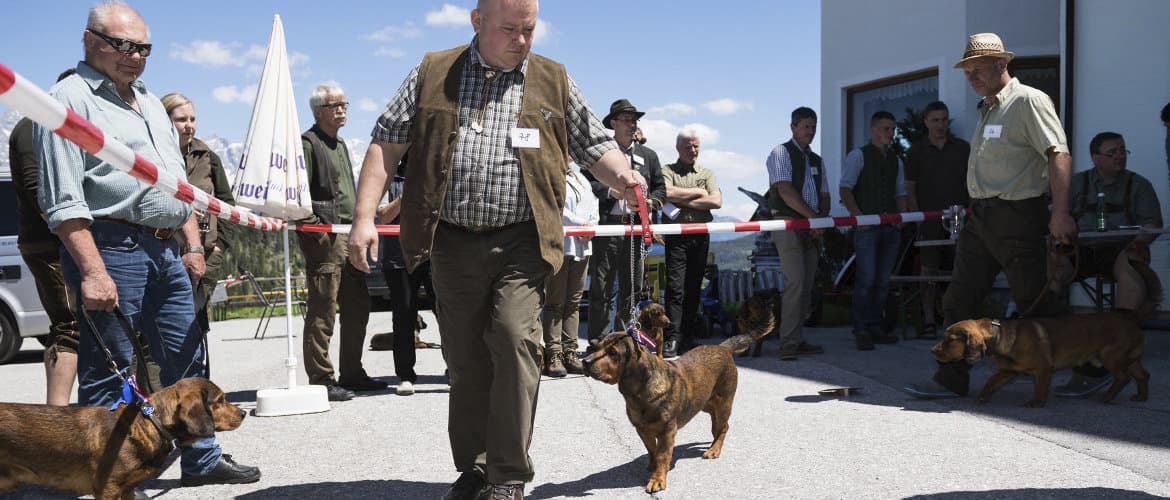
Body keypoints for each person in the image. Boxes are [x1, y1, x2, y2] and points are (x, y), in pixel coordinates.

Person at [344, 1, 647, 498]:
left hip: (523, 239)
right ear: (477, 21)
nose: (521, 40)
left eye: (529, 30)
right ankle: (476, 467)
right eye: (509, 29)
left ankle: (507, 475)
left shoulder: (554, 79)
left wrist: (624, 178)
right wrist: (363, 218)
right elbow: (387, 144)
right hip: (451, 239)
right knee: (464, 358)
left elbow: (595, 146)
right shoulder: (432, 71)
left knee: (513, 340)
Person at [34, 1, 259, 486]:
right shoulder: (66, 101)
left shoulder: (151, 102)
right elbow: (64, 202)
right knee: (110, 370)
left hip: (167, 250)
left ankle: (202, 461)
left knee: (188, 358)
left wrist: (191, 244)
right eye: (123, 45)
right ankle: (104, 476)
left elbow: (177, 185)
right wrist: (93, 271)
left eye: (144, 48)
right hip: (110, 246)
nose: (135, 56)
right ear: (90, 40)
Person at [903, 32, 1077, 399]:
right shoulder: (988, 108)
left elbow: (1058, 154)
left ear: (1001, 64)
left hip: (1017, 215)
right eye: (967, 71)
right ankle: (951, 379)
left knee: (1036, 302)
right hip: (981, 217)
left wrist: (1061, 212)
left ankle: (1091, 364)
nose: (971, 76)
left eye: (977, 68)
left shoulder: (1028, 100)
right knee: (958, 299)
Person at [1055, 131, 1162, 397]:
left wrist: (1140, 242)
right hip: (1081, 249)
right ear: (1095, 157)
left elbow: (1152, 223)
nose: (1120, 156)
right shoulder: (1076, 183)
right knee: (1050, 269)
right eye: (1112, 152)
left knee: (1131, 273)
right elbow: (1057, 215)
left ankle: (1116, 344)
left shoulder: (1139, 185)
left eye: (1123, 151)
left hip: (1120, 250)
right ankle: (1054, 341)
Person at [296, 83, 383, 402]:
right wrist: (317, 229)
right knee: (323, 309)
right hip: (325, 237)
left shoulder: (341, 144)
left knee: (357, 305)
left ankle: (352, 372)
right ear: (318, 111)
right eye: (335, 105)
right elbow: (298, 192)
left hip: (349, 233)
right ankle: (321, 378)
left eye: (345, 104)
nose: (342, 110)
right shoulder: (308, 144)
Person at [10, 69, 80, 406]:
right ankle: (57, 416)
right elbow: (39, 191)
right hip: (49, 242)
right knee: (69, 326)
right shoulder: (32, 126)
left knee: (80, 325)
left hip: (69, 239)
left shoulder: (69, 128)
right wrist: (73, 233)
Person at [583, 99, 665, 352]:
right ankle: (598, 340)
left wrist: (650, 203)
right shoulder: (599, 156)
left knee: (632, 287)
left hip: (636, 229)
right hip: (609, 227)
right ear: (613, 123)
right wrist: (610, 192)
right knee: (602, 286)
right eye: (627, 120)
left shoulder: (648, 156)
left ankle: (625, 338)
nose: (632, 124)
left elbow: (661, 189)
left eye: (634, 120)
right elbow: (587, 183)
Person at [161, 92, 236, 337]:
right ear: (164, 120)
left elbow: (227, 205)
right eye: (181, 119)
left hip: (205, 257)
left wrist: (219, 248)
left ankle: (199, 364)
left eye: (192, 119)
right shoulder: (154, 155)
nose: (189, 125)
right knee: (164, 327)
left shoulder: (209, 158)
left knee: (195, 326)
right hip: (164, 254)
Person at [839, 111, 909, 350]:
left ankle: (876, 327)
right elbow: (845, 189)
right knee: (866, 279)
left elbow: (900, 192)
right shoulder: (858, 155)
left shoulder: (896, 160)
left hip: (890, 228)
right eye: (886, 128)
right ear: (874, 130)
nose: (891, 133)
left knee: (883, 281)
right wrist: (858, 217)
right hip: (867, 229)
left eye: (893, 129)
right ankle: (861, 329)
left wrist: (902, 217)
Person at [764, 106, 828, 361]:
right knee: (796, 283)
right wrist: (814, 218)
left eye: (813, 127)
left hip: (811, 226)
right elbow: (784, 190)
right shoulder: (780, 152)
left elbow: (825, 194)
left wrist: (819, 221)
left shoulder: (817, 160)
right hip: (788, 223)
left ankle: (797, 338)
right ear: (793, 127)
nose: (810, 131)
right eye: (806, 126)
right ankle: (788, 343)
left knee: (807, 284)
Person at [904, 101, 970, 338]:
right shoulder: (916, 151)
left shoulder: (962, 148)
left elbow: (972, 183)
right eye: (935, 120)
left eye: (943, 119)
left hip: (959, 218)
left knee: (960, 268)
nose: (940, 125)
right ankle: (929, 319)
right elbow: (910, 188)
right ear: (926, 122)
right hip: (929, 219)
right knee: (929, 270)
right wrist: (917, 217)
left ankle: (956, 319)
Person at [373, 154, 431, 396]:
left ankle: (456, 369)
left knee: (448, 313)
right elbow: (383, 215)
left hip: (432, 255)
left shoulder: (434, 172)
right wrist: (407, 194)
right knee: (403, 316)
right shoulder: (388, 178)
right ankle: (406, 375)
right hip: (398, 258)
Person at [661, 128, 722, 358]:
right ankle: (672, 338)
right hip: (676, 236)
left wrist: (682, 199)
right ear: (678, 148)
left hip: (700, 236)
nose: (693, 150)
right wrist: (698, 192)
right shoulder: (667, 171)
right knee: (675, 288)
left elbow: (716, 201)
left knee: (694, 287)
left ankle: (688, 336)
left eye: (696, 146)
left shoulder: (707, 173)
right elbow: (665, 193)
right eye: (688, 146)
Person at [543, 166, 598, 377]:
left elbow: (594, 204)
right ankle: (553, 353)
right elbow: (554, 206)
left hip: (582, 245)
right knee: (555, 302)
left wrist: (592, 226)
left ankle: (570, 351)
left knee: (574, 302)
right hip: (562, 245)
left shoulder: (582, 177)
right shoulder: (552, 173)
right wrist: (581, 224)